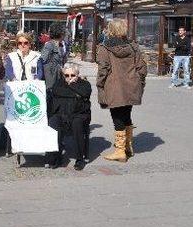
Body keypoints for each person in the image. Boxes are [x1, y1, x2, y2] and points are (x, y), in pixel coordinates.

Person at [96, 19, 147, 163]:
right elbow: (142, 68)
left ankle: (120, 151)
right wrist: (140, 82)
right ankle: (128, 146)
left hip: (114, 86)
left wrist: (100, 85)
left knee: (117, 117)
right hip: (131, 85)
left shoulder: (105, 47)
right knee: (126, 114)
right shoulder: (133, 46)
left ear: (110, 30)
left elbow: (103, 69)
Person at [46, 63, 92, 170]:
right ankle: (55, 157)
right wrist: (76, 94)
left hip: (79, 114)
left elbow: (85, 92)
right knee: (53, 122)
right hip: (61, 115)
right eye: (67, 75)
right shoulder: (59, 83)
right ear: (63, 75)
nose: (70, 78)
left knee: (77, 124)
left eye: (73, 75)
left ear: (77, 75)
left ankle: (79, 159)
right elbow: (56, 91)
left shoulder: (85, 84)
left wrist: (72, 87)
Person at [41, 23, 66, 91]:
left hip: (58, 76)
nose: (64, 35)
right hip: (50, 77)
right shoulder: (49, 45)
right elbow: (42, 60)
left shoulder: (61, 45)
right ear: (60, 34)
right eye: (64, 33)